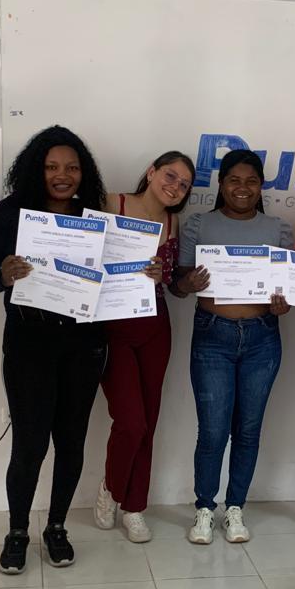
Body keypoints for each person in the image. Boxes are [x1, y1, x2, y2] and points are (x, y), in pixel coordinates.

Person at [0, 125, 108, 574]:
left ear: (84, 173)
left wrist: (141, 274)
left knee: (71, 441)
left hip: (85, 343)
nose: (62, 176)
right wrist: (3, 276)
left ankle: (56, 527)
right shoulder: (7, 214)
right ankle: (17, 532)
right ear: (36, 169)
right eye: (51, 167)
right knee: (29, 444)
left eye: (71, 167)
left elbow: (115, 279)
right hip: (30, 342)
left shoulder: (96, 217)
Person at [174, 149, 293, 544]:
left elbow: (288, 289)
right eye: (234, 180)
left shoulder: (278, 229)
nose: (243, 188)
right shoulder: (198, 224)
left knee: (248, 430)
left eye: (251, 181)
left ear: (261, 186)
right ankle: (205, 509)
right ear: (221, 184)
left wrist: (284, 303)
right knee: (212, 431)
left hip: (262, 337)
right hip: (213, 336)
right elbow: (178, 285)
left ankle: (235, 507)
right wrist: (187, 283)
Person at [92, 152, 192, 543]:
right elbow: (81, 254)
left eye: (184, 184)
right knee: (130, 422)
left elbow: (172, 282)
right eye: (170, 175)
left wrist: (161, 274)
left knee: (148, 421)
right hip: (112, 325)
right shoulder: (111, 203)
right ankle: (111, 488)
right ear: (151, 172)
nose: (175, 186)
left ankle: (135, 507)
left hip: (155, 325)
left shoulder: (174, 222)